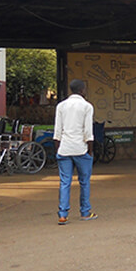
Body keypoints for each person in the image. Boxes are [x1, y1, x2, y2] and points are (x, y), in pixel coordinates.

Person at [53, 79, 98, 225]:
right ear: (82, 90)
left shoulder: (61, 106)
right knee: (84, 182)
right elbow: (88, 131)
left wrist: (57, 150)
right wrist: (90, 151)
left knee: (64, 182)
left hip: (64, 148)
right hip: (81, 148)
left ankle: (62, 215)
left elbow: (57, 131)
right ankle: (85, 212)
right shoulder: (87, 106)